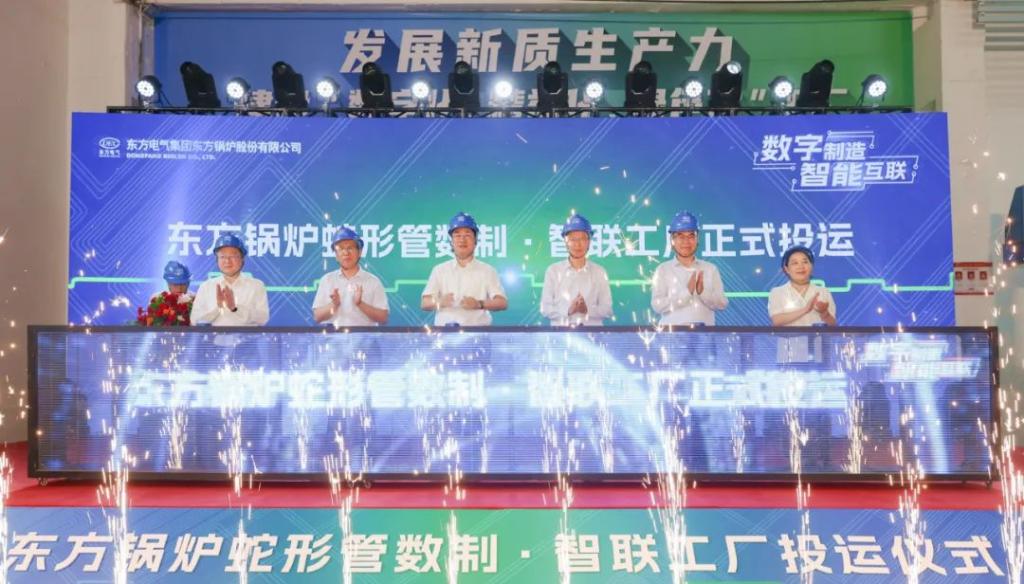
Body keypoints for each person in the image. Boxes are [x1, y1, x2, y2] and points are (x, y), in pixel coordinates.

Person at [421, 211, 508, 326]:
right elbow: (425, 303)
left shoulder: (487, 270)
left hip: (479, 333)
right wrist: (439, 302)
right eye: (457, 235)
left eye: (467, 235)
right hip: (445, 333)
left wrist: (479, 304)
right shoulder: (439, 270)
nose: (462, 240)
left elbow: (502, 302)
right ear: (451, 242)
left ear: (475, 240)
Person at [650, 211, 728, 326]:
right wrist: (686, 293)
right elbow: (657, 305)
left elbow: (722, 304)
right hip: (672, 335)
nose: (686, 241)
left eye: (691, 236)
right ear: (672, 240)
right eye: (681, 236)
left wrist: (703, 292)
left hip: (705, 336)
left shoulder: (710, 269)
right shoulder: (663, 270)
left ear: (697, 239)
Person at [540, 213, 613, 326]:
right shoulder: (553, 271)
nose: (578, 244)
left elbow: (607, 310)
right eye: (573, 239)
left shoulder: (599, 272)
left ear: (589, 242)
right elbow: (545, 309)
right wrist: (569, 311)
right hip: (561, 334)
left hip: (592, 334)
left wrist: (587, 310)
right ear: (565, 242)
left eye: (583, 239)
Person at [312, 226, 389, 327]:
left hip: (365, 337)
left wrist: (360, 304)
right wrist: (334, 304)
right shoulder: (327, 280)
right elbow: (317, 317)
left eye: (350, 248)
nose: (345, 253)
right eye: (340, 249)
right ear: (336, 255)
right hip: (334, 337)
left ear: (359, 252)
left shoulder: (373, 281)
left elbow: (383, 318)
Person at [190, 233, 270, 326]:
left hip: (246, 336)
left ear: (242, 259)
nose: (227, 261)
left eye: (233, 256)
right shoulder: (206, 286)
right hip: (215, 336)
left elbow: (263, 318)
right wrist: (218, 307)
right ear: (217, 260)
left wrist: (235, 308)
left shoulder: (256, 285)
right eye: (222, 257)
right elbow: (195, 320)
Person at [768, 245, 837, 326]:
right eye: (795, 263)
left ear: (811, 266)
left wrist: (824, 312)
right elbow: (777, 321)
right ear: (787, 269)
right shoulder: (777, 292)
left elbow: (833, 325)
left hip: (817, 335)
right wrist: (805, 309)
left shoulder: (823, 291)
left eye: (805, 262)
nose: (800, 266)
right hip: (789, 335)